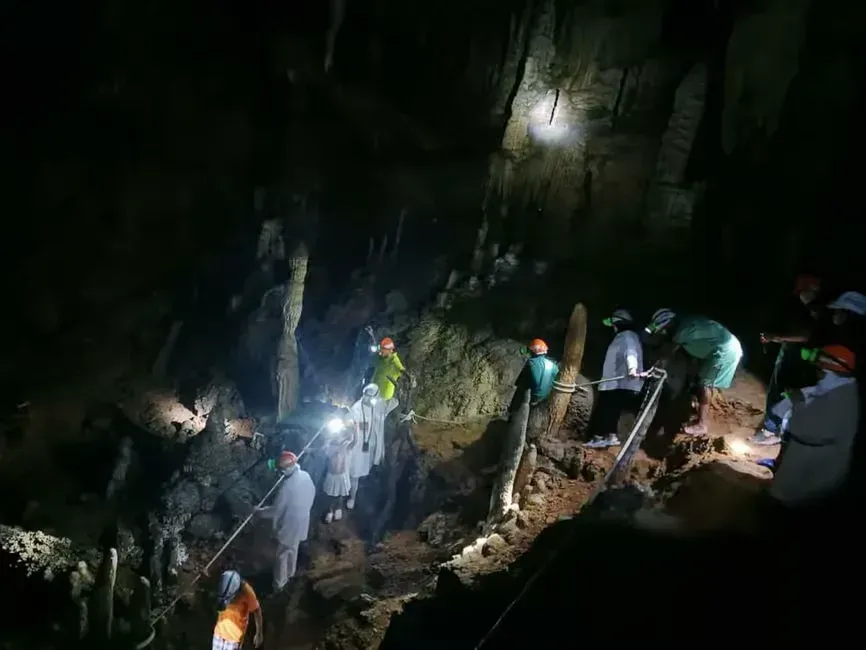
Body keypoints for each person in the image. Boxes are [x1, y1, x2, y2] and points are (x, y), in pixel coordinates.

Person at [769, 345, 859, 509]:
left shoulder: (840, 398)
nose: (816, 371)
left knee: (789, 499)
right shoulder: (842, 386)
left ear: (826, 369)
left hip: (811, 455)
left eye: (819, 367)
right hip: (815, 453)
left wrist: (795, 404)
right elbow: (815, 391)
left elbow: (809, 429)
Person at [645, 308, 743, 436]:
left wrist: (654, 368)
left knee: (705, 384)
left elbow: (667, 354)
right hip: (717, 348)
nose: (664, 332)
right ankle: (696, 406)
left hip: (724, 351)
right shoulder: (686, 323)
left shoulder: (682, 332)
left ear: (670, 323)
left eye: (664, 329)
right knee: (698, 378)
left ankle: (702, 425)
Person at [752, 274, 824, 445]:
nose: (800, 295)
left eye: (803, 291)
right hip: (790, 352)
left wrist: (777, 337)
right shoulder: (800, 306)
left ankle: (773, 431)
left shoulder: (818, 312)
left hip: (801, 358)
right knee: (778, 388)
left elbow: (808, 336)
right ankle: (774, 428)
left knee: (785, 391)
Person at [256, 450, 316, 592]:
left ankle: (279, 584)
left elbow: (276, 510)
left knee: (281, 555)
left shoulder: (287, 487)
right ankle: (291, 574)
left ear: (286, 469)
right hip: (302, 520)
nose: (280, 472)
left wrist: (259, 512)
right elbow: (312, 494)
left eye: (281, 469)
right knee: (293, 549)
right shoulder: (306, 476)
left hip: (290, 525)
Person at [585, 310, 645, 449]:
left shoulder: (628, 337)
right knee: (611, 410)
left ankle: (600, 437)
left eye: (614, 324)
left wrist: (632, 369)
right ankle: (609, 436)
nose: (613, 327)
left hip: (618, 382)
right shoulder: (624, 336)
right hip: (614, 382)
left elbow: (631, 353)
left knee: (606, 409)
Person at [347, 383, 399, 510]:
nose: (368, 399)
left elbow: (394, 402)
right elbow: (349, 421)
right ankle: (351, 497)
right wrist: (358, 426)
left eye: (371, 397)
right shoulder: (357, 408)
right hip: (358, 445)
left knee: (367, 467)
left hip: (371, 445)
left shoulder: (379, 405)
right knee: (353, 472)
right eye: (367, 396)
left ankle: (363, 486)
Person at [212, 570, 263, 650]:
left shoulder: (247, 592)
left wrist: (259, 633)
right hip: (219, 632)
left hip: (234, 637)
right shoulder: (223, 583)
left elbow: (256, 610)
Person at [322, 421, 356, 523]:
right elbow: (321, 450)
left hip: (342, 475)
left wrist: (355, 427)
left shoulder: (346, 445)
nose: (337, 436)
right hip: (331, 475)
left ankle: (338, 509)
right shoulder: (328, 446)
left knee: (340, 495)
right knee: (330, 495)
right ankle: (330, 511)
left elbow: (355, 441)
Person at [513, 339, 560, 410]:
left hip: (534, 397)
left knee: (522, 387)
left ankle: (515, 411)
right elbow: (557, 379)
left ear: (532, 351)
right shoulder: (553, 365)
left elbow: (518, 382)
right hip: (547, 398)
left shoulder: (531, 362)